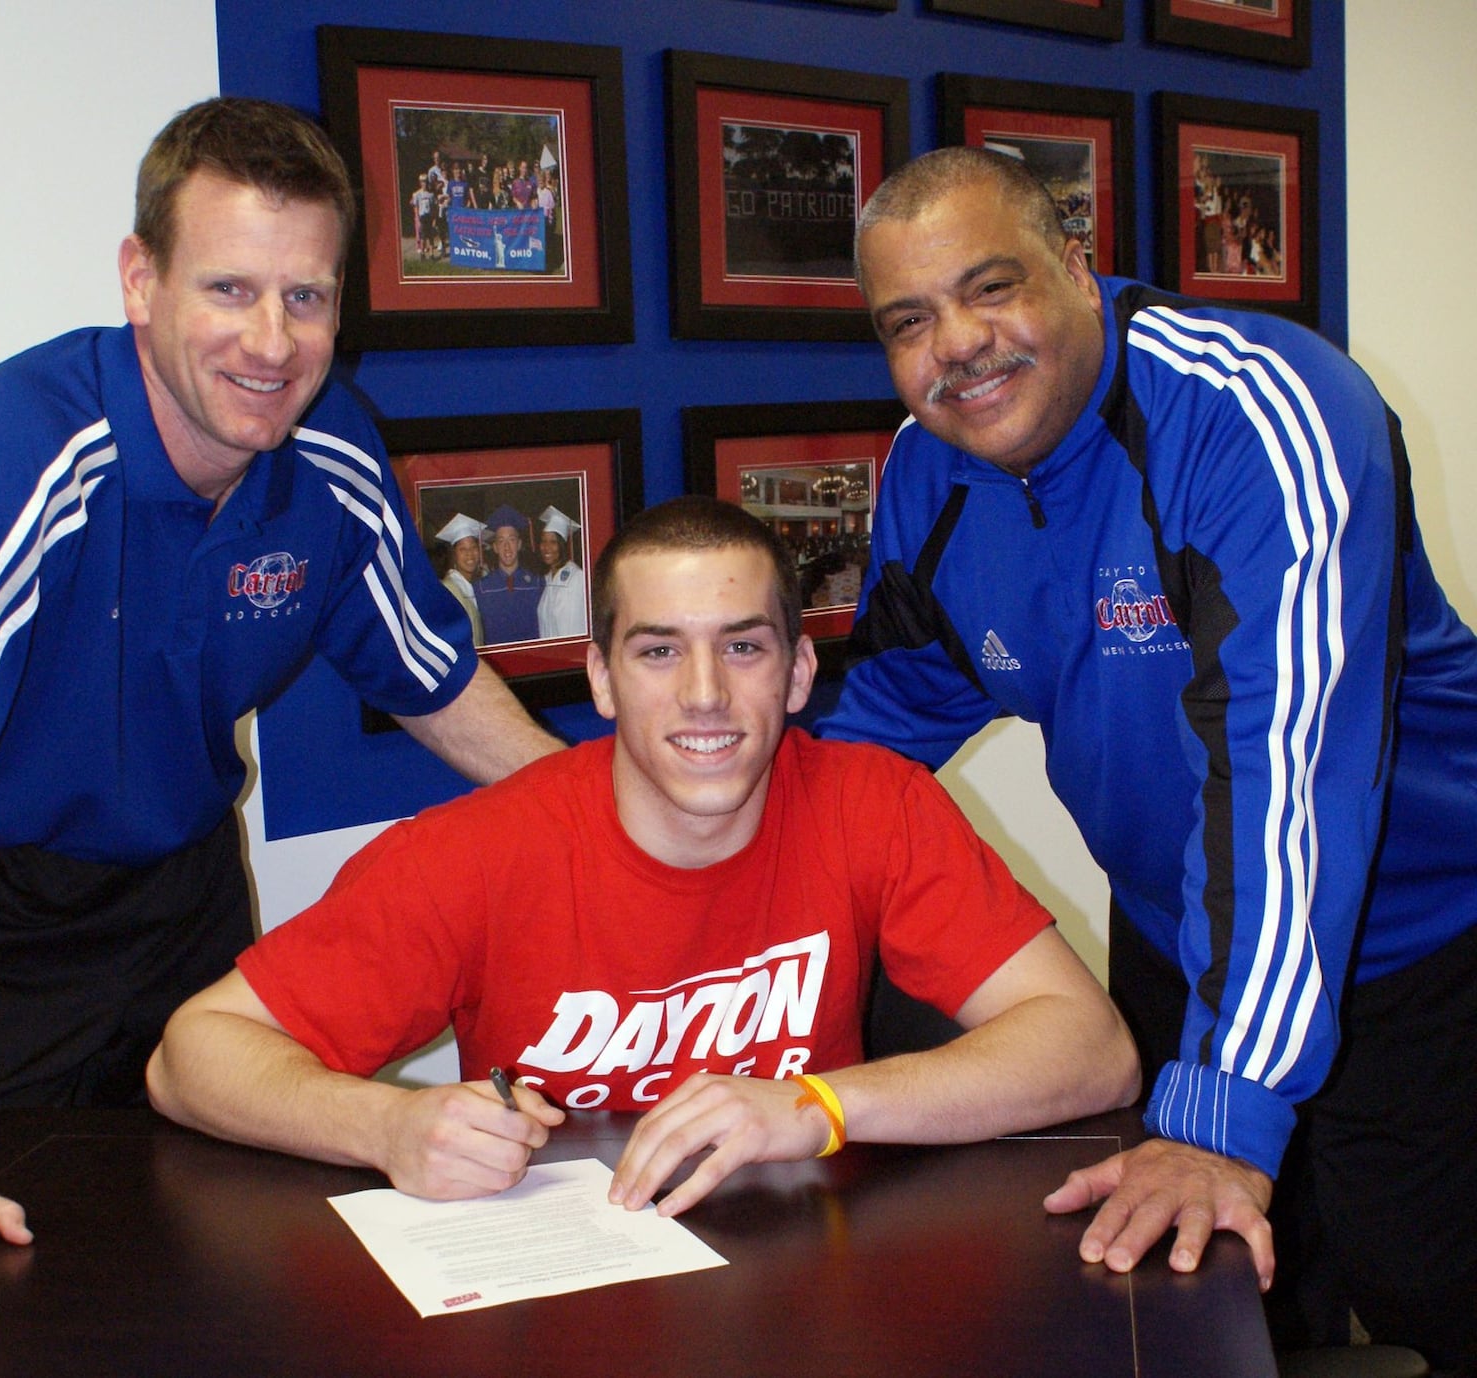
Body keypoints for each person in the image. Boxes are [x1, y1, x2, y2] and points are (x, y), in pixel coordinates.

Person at [0, 97, 561, 1302]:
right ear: (140, 281)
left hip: (184, 897)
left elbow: (439, 685)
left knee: (219, 1255)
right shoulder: (13, 446)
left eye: (306, 297)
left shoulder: (333, 446)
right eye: (230, 289)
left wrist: (629, 823)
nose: (271, 342)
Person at [824, 145, 1477, 1374]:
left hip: (1417, 937)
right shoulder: (929, 473)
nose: (954, 345)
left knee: (1424, 1290)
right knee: (1221, 1309)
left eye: (988, 287)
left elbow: (1286, 778)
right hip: (1186, 927)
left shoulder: (1255, 409)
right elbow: (887, 713)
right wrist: (679, 809)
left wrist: (1223, 1116)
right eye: (907, 321)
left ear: (1078, 267)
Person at [146, 495, 1139, 1219]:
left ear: (797, 672)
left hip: (810, 1273)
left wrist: (820, 1106)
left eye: (743, 648)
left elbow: (1092, 1051)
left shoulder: (875, 806)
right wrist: (385, 1127)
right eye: (658, 651)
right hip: (563, 1287)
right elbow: (191, 1057)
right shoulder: (477, 851)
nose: (704, 694)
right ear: (602, 678)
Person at [473, 503, 542, 644]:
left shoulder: (537, 584)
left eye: (512, 540)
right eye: (501, 541)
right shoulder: (481, 588)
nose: (507, 547)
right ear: (495, 547)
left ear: (520, 544)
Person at [535, 504, 587, 640]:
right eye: (543, 541)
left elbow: (575, 630)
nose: (546, 548)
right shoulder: (547, 580)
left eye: (553, 542)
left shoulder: (576, 578)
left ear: (562, 545)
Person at [434, 512, 486, 645]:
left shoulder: (473, 586)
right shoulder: (448, 589)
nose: (470, 554)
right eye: (462, 549)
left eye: (473, 547)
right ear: (454, 555)